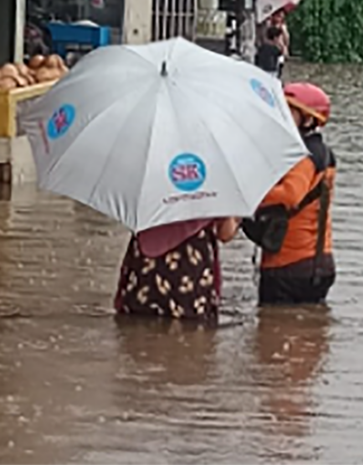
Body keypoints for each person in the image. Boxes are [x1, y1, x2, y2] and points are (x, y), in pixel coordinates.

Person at [243, 82, 337, 305]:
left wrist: (248, 196)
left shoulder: (303, 156)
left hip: (288, 265)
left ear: (308, 118)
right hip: (318, 261)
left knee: (270, 336)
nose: (281, 117)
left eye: (288, 111)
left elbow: (289, 195)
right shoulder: (321, 153)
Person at [114, 217, 239, 324]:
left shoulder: (148, 189)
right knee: (192, 334)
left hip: (147, 260)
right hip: (191, 266)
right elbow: (225, 233)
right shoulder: (213, 191)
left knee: (137, 326)